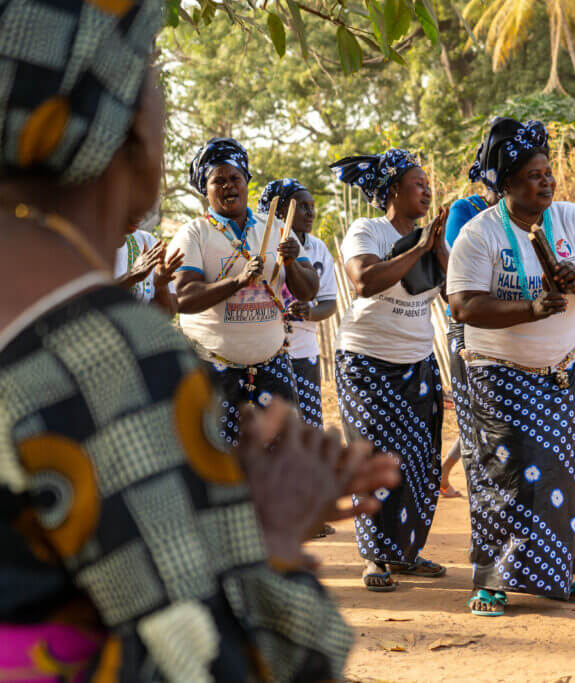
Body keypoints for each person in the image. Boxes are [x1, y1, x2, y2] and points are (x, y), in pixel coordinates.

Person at [0, 1, 399, 679]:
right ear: (127, 129)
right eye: (153, 74)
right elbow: (218, 659)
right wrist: (274, 529)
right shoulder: (106, 361)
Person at [448, 117, 575, 616]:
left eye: (547, 173)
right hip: (497, 371)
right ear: (507, 184)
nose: (546, 182)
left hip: (562, 370)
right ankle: (491, 582)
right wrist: (531, 308)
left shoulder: (571, 219)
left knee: (565, 475)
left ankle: (556, 576)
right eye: (533, 176)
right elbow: (463, 305)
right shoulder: (479, 234)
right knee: (505, 475)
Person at [330, 149, 450, 592]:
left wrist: (438, 248)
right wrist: (419, 249)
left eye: (427, 185)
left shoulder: (429, 239)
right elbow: (365, 281)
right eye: (418, 184)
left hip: (417, 361)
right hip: (366, 362)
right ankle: (374, 557)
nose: (427, 191)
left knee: (419, 462)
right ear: (394, 189)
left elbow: (454, 295)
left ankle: (405, 554)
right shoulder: (368, 231)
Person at [171, 138, 319, 447]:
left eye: (235, 177)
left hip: (272, 367)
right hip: (213, 371)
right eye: (218, 181)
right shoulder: (194, 234)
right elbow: (184, 297)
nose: (228, 185)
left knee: (282, 460)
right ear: (205, 190)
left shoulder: (276, 227)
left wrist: (291, 263)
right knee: (221, 463)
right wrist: (237, 282)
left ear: (246, 181)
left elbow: (308, 290)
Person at [257, 179, 338, 429]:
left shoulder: (318, 249)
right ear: (282, 212)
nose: (311, 212)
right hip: (266, 352)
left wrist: (310, 312)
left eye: (312, 206)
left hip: (304, 352)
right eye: (303, 207)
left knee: (308, 428)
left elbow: (330, 302)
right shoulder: (262, 244)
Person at [439, 174, 500, 499]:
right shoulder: (465, 210)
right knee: (476, 419)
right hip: (471, 328)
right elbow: (456, 272)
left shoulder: (532, 216)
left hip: (511, 326)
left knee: (494, 419)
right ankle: (484, 507)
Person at [113, 226, 182, 314]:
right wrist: (131, 276)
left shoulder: (146, 240)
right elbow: (96, 300)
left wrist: (161, 286)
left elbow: (169, 313)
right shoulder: (95, 245)